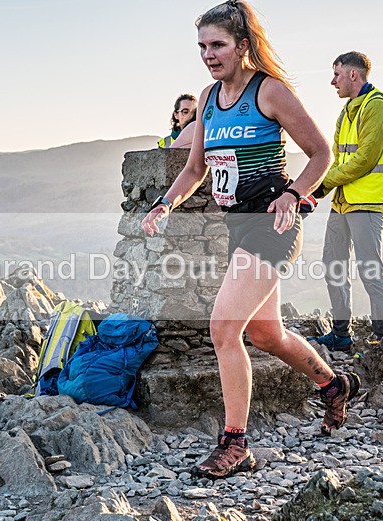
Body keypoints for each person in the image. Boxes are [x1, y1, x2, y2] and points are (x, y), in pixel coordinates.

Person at [141, 0, 360, 479]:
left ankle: (235, 443)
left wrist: (295, 194)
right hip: (238, 226)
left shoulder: (271, 92)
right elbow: (196, 169)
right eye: (201, 46)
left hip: (273, 225)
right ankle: (332, 385)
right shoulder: (209, 97)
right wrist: (164, 203)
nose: (208, 54)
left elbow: (321, 153)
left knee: (223, 327)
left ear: (243, 45)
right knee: (266, 333)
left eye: (217, 44)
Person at [307, 51, 383, 351]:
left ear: (353, 75)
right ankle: (341, 334)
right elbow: (336, 161)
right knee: (333, 264)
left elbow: (363, 161)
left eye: (336, 74)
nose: (332, 81)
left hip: (368, 204)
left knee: (369, 270)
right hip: (342, 202)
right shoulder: (346, 112)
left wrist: (321, 187)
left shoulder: (378, 107)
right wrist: (316, 192)